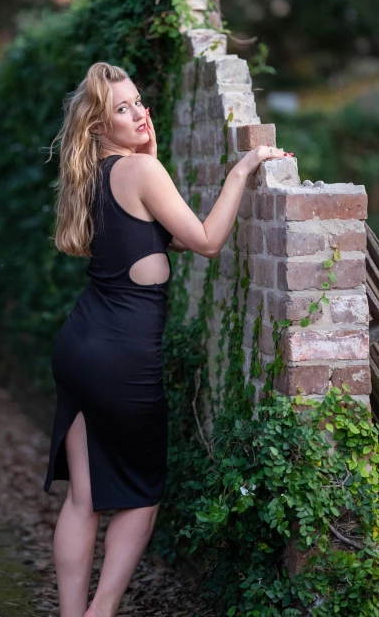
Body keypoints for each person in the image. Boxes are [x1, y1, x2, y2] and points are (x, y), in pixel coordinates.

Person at [43, 61, 288, 617]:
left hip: (80, 345)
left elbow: (156, 237)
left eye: (138, 101)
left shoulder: (100, 173)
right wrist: (243, 168)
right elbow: (204, 241)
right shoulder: (140, 173)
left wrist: (151, 159)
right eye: (121, 108)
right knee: (142, 496)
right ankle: (101, 612)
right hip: (121, 356)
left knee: (83, 499)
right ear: (99, 126)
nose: (138, 113)